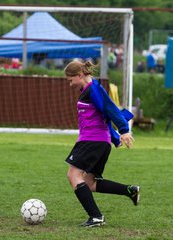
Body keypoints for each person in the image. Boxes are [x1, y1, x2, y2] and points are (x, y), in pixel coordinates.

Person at [64, 60, 140, 227]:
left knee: (73, 175)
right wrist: (113, 138)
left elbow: (110, 108)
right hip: (100, 142)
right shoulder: (89, 89)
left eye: (70, 80)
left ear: (79, 75)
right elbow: (103, 117)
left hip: (91, 141)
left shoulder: (94, 90)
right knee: (89, 183)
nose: (70, 84)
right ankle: (130, 190)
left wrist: (123, 129)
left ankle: (96, 217)